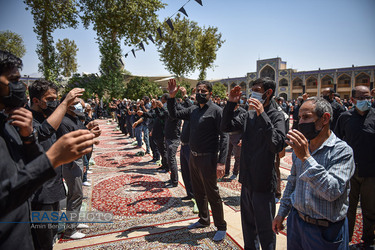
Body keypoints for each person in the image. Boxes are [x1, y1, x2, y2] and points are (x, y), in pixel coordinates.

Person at [0, 50, 97, 249]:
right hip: (30, 206)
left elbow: (25, 162)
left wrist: (28, 138)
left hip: (41, 197)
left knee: (49, 236)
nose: (21, 86)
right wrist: (51, 158)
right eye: (14, 79)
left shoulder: (10, 122)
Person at [272, 97, 355, 250]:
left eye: (306, 117)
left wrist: (306, 158)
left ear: (324, 118)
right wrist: (282, 212)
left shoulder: (342, 151)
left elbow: (332, 191)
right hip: (297, 223)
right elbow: (293, 182)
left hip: (325, 231)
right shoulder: (303, 147)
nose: (301, 122)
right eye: (299, 118)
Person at [221, 78, 286, 250]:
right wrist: (231, 103)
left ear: (268, 92)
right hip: (247, 181)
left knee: (266, 232)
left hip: (263, 184)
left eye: (257, 89)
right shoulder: (247, 114)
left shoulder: (276, 115)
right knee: (248, 231)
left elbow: (277, 145)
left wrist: (262, 115)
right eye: (252, 89)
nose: (253, 92)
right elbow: (225, 126)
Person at [167, 79, 228, 242]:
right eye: (198, 91)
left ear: (210, 94)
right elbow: (174, 114)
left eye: (203, 91)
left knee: (212, 193)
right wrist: (172, 97)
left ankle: (221, 226)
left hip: (208, 158)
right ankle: (203, 219)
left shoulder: (216, 111)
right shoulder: (193, 109)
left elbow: (225, 136)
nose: (200, 94)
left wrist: (221, 162)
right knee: (198, 191)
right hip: (193, 157)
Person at [29, 79, 85, 249]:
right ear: (36, 101)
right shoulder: (29, 119)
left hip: (53, 188)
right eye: (50, 99)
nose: (54, 102)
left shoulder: (49, 117)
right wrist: (65, 102)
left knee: (52, 235)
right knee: (42, 240)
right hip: (40, 193)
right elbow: (43, 132)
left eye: (56, 98)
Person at [335, 86, 375, 247]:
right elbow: (336, 142)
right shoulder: (345, 117)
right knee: (347, 208)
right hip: (349, 172)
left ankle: (368, 241)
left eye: (368, 97)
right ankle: (346, 240)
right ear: (352, 100)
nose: (365, 101)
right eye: (361, 98)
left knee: (370, 209)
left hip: (371, 172)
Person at [223, 101, 245, 180]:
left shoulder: (243, 112)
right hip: (229, 135)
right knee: (227, 155)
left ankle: (235, 172)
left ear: (238, 105)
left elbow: (245, 127)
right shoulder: (229, 111)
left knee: (237, 156)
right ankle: (226, 171)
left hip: (238, 135)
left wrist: (242, 138)